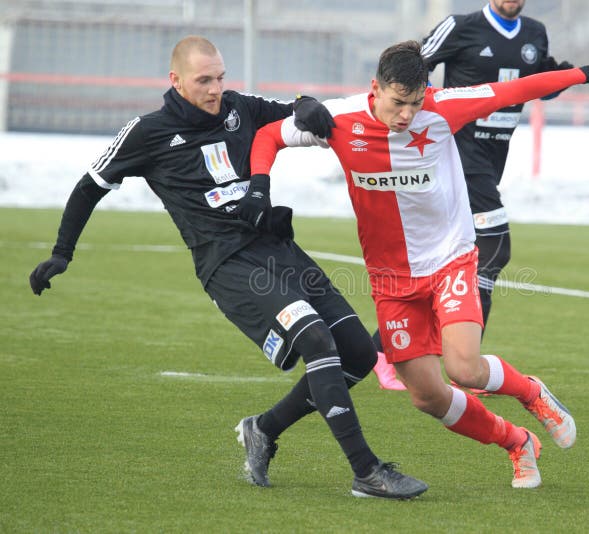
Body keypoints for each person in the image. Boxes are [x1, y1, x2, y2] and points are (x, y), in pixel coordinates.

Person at [28, 35, 427, 500]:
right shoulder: (147, 132)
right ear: (175, 81)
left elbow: (293, 109)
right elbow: (90, 185)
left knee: (358, 355)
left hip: (280, 251)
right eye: (204, 80)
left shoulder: (239, 107)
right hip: (230, 266)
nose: (216, 89)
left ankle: (264, 428)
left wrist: (308, 103)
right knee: (317, 339)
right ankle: (367, 471)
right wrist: (62, 252)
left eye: (220, 77)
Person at [250, 40, 589, 488]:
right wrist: (259, 186)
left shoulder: (443, 108)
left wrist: (587, 73)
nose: (407, 115)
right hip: (391, 279)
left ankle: (532, 393)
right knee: (427, 396)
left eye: (414, 103)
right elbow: (267, 135)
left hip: (450, 258)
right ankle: (516, 442)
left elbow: (517, 90)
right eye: (397, 103)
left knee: (464, 368)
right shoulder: (338, 119)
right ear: (375, 89)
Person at [372, 0, 574, 391]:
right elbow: (413, 66)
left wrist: (559, 77)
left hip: (491, 163)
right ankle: (466, 365)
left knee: (446, 262)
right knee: (494, 249)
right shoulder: (460, 26)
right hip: (455, 157)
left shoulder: (534, 33)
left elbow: (534, 84)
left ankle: (384, 350)